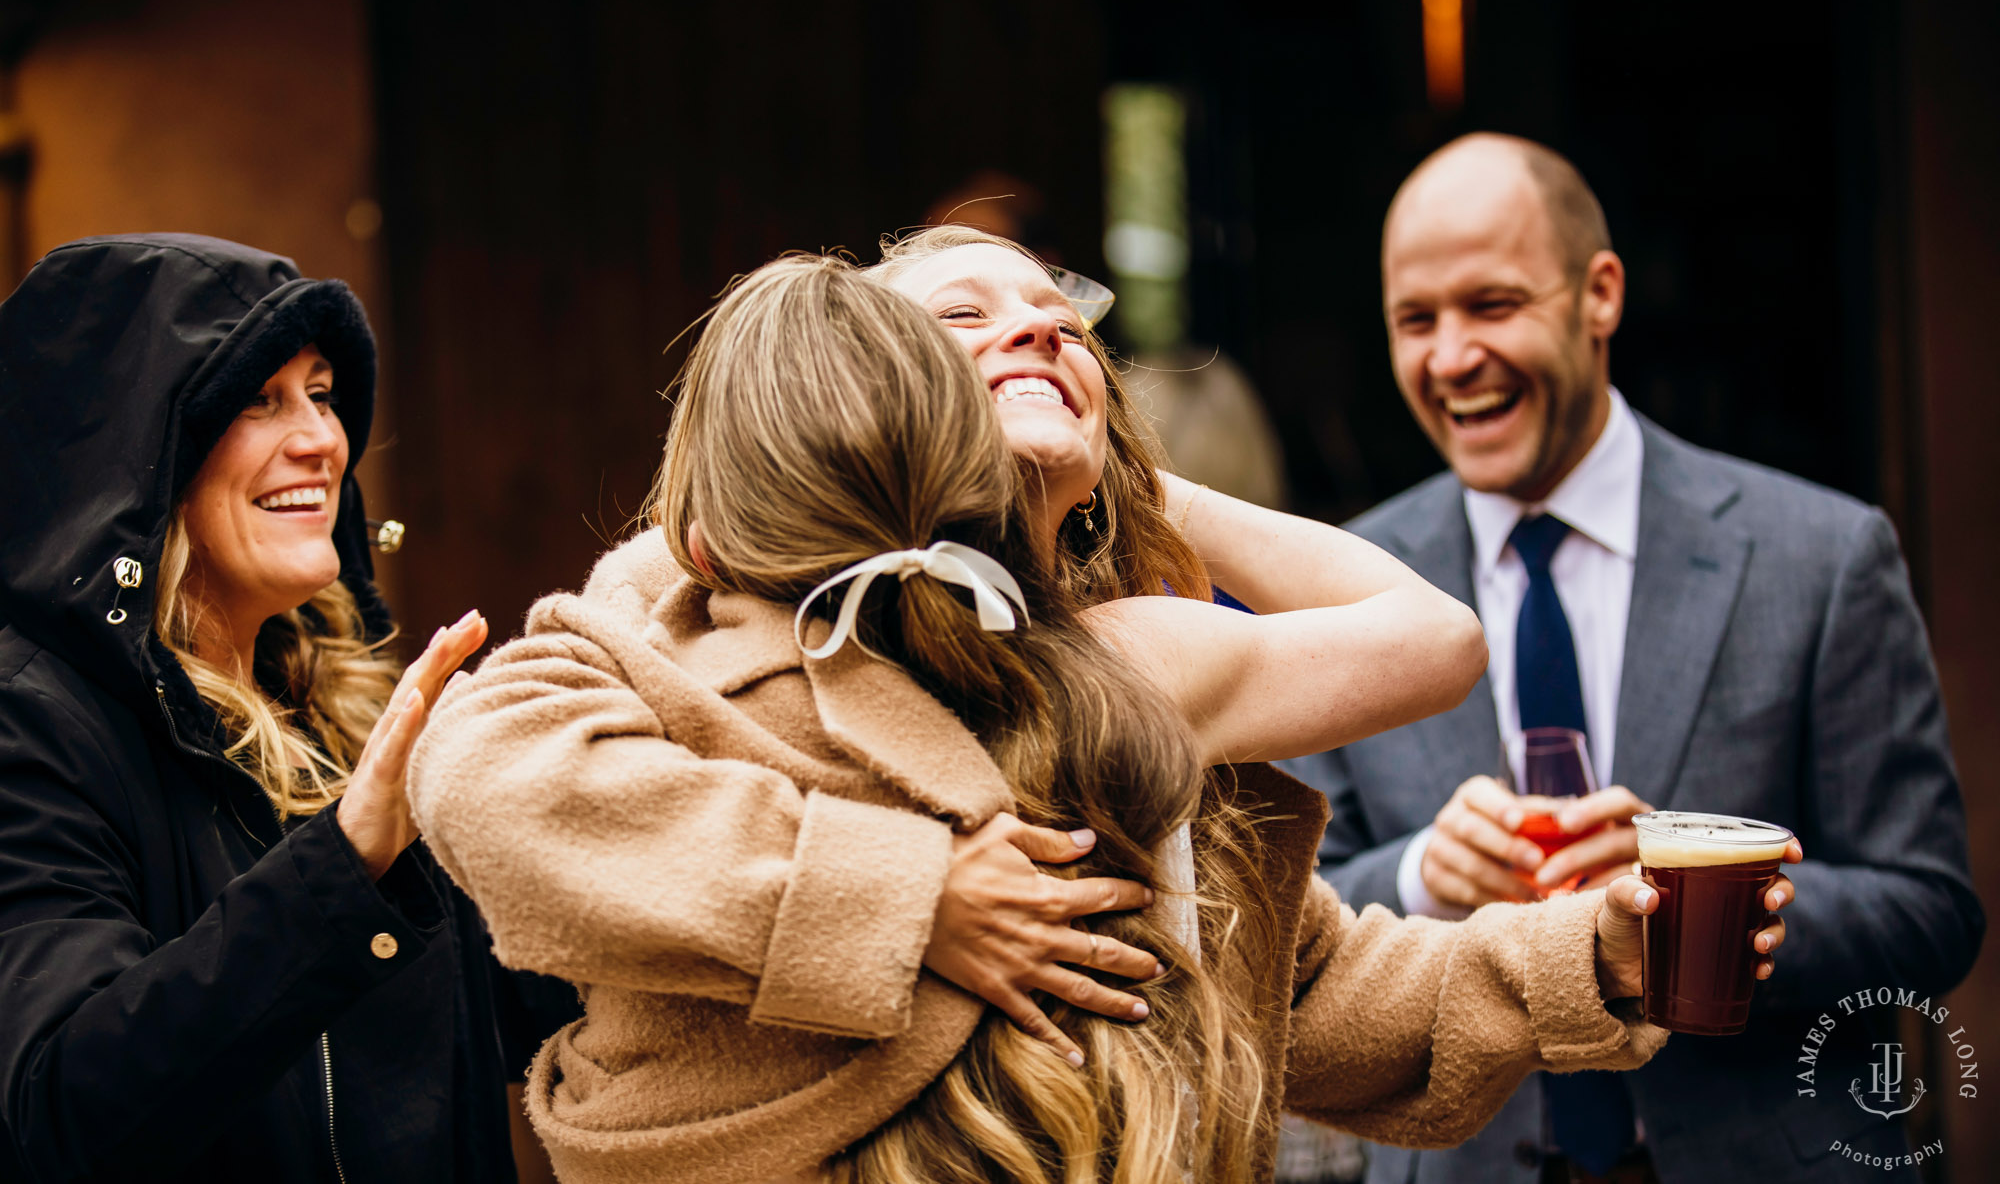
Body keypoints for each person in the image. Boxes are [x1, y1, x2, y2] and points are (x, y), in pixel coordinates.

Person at [410, 250, 1794, 1182]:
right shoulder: (702, 603)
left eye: (1065, 323)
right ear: (855, 397)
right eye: (963, 320)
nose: (1037, 330)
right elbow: (494, 778)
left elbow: (1303, 997)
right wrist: (906, 898)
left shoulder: (1133, 668)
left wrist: (1588, 958)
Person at [1281, 134, 1982, 1184]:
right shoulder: (1342, 580)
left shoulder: (1821, 556)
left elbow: (1928, 913)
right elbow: (1289, 914)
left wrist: (1707, 901)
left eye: (1492, 303)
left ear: (1597, 294)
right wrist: (1424, 874)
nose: (1449, 357)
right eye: (1413, 320)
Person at [0, 234, 535, 1182]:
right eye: (258, 398)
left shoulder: (334, 722)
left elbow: (496, 1010)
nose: (323, 440)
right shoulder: (34, 730)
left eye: (322, 394)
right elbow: (59, 1113)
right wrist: (344, 865)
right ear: (133, 459)